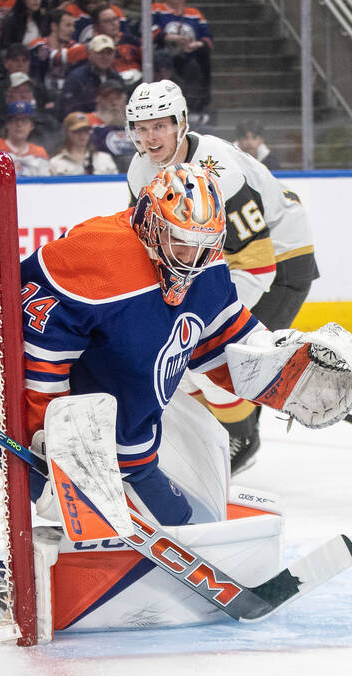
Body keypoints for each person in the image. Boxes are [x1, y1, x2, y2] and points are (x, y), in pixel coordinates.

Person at [0, 162, 352, 532]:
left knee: (186, 527)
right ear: (151, 223)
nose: (191, 258)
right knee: (113, 540)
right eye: (181, 243)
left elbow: (221, 336)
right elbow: (26, 348)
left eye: (204, 246)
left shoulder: (204, 264)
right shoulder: (94, 256)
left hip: (131, 449)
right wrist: (46, 437)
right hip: (57, 449)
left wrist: (278, 368)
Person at [126, 80, 320, 474]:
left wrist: (206, 321)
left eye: (159, 125)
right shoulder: (140, 170)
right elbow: (146, 241)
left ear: (180, 123)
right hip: (220, 261)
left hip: (282, 260)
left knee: (222, 355)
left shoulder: (219, 170)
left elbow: (257, 263)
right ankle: (216, 435)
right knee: (183, 362)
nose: (151, 137)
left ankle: (241, 439)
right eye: (142, 128)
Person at [59, 33, 123, 116]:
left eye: (109, 53)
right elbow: (68, 111)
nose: (105, 57)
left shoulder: (116, 78)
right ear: (89, 54)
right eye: (100, 52)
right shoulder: (76, 78)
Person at [50, 110, 118, 174]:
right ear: (67, 133)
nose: (82, 135)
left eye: (86, 130)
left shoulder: (104, 159)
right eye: (76, 131)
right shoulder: (55, 163)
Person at [0, 100, 51, 176]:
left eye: (24, 121)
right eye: (15, 120)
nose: (19, 124)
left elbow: (45, 183)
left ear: (31, 126)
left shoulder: (39, 153)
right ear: (8, 124)